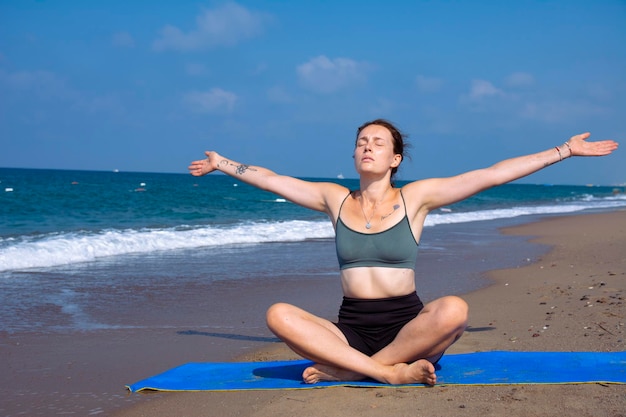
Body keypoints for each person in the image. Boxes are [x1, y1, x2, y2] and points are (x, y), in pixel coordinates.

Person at [188, 119, 618, 386]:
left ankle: (354, 369)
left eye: (377, 142)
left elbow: (491, 174)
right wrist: (223, 163)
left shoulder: (416, 198)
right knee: (278, 314)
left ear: (395, 158)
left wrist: (564, 150)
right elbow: (270, 179)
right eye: (361, 141)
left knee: (453, 310)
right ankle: (385, 371)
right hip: (350, 326)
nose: (367, 146)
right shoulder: (333, 198)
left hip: (408, 327)